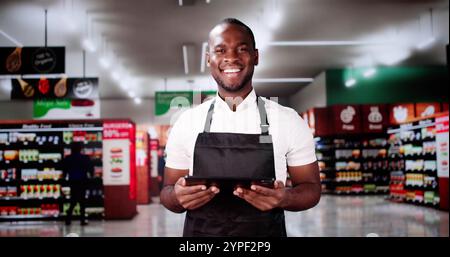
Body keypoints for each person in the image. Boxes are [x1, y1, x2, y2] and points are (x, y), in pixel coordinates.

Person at [160, 18, 321, 237]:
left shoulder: (288, 120)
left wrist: (286, 197)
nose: (231, 57)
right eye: (220, 50)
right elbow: (167, 192)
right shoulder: (187, 122)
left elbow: (311, 188)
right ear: (208, 59)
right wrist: (178, 197)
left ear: (256, 56)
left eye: (242, 49)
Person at [62, 141, 94, 226]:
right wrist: (91, 176)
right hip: (83, 181)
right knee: (82, 201)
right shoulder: (85, 158)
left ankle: (68, 219)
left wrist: (64, 178)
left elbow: (64, 171)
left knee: (73, 200)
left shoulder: (68, 158)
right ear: (80, 149)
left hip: (73, 181)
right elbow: (90, 169)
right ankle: (82, 220)